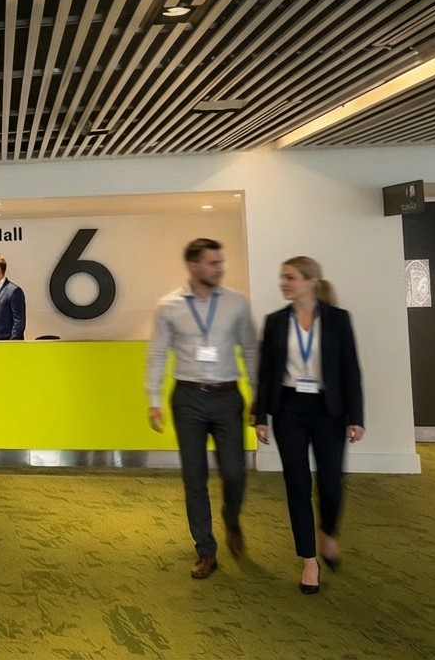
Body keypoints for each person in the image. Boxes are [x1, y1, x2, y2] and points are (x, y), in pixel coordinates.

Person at [145, 238, 259, 579]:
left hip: (227, 396)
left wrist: (258, 395)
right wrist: (154, 399)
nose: (220, 268)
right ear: (194, 266)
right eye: (213, 263)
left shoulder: (237, 303)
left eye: (221, 262)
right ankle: (206, 550)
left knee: (235, 473)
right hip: (188, 398)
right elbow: (158, 353)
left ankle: (231, 517)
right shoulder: (169, 306)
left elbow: (250, 349)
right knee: (194, 478)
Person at [253, 256, 364, 595]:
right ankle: (309, 560)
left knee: (331, 483)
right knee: (297, 483)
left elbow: (350, 369)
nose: (283, 283)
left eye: (290, 277)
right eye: (282, 277)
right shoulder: (275, 321)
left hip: (328, 410)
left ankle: (327, 532)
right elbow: (266, 372)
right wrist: (260, 416)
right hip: (289, 410)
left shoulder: (338, 319)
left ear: (311, 280)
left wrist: (357, 417)